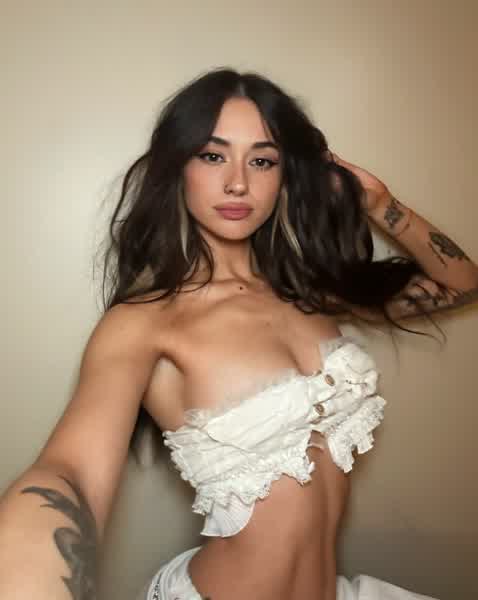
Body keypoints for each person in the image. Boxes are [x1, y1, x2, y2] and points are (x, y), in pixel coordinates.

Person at [0, 68, 477, 600]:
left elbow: (460, 283)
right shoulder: (145, 323)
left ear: (285, 175)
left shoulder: (309, 291)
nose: (237, 183)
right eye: (212, 155)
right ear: (177, 168)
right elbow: (70, 472)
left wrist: (374, 200)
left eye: (262, 161)